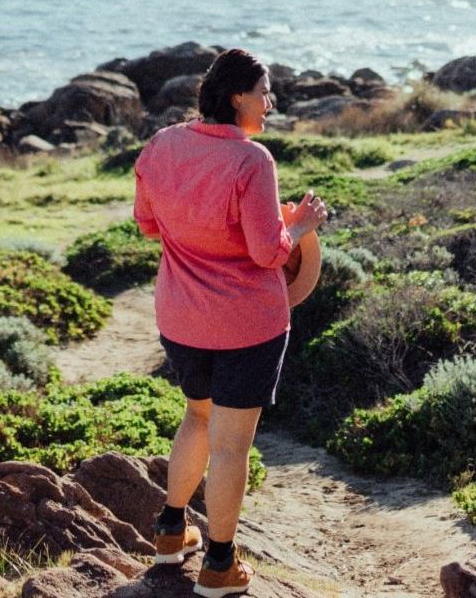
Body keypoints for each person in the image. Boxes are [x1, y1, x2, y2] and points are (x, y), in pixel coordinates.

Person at [132, 48, 327, 598]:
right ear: (238, 95)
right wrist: (302, 224)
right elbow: (268, 253)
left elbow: (148, 224)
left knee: (197, 416)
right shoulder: (252, 160)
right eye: (265, 92)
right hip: (246, 326)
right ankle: (218, 564)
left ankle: (172, 531)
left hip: (180, 318)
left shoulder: (163, 144)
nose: (271, 103)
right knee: (232, 445)